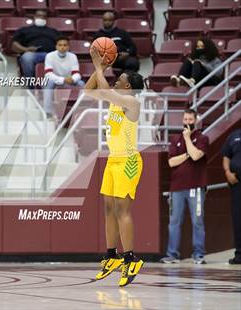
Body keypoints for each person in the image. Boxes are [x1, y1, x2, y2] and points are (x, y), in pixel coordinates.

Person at [84, 49, 145, 287]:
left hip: (129, 161)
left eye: (119, 79)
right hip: (113, 160)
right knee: (108, 209)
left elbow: (106, 91)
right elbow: (88, 91)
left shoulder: (130, 101)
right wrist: (98, 68)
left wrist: (100, 67)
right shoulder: (114, 99)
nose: (115, 80)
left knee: (122, 209)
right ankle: (112, 255)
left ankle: (131, 259)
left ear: (128, 87)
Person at [160, 109, 209, 265]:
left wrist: (188, 140)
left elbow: (196, 156)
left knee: (197, 221)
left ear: (196, 120)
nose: (187, 122)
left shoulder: (202, 138)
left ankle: (199, 254)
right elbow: (171, 162)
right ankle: (172, 255)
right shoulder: (175, 139)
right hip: (177, 188)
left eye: (190, 119)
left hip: (196, 186)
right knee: (174, 221)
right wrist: (187, 154)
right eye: (185, 119)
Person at [43, 36, 85, 117]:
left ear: (68, 47)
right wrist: (63, 80)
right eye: (60, 45)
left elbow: (77, 73)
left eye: (65, 45)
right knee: (48, 82)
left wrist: (72, 79)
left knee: (81, 83)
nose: (62, 47)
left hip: (69, 80)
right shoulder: (49, 56)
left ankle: (81, 108)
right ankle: (47, 112)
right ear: (56, 46)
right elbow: (48, 74)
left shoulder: (73, 56)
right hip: (54, 80)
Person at [12, 10, 60, 78]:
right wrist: (27, 49)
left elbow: (63, 43)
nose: (41, 18)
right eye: (39, 16)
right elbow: (14, 46)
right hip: (32, 54)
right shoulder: (24, 30)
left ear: (46, 19)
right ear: (34, 17)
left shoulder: (54, 31)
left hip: (51, 54)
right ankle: (31, 84)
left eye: (44, 16)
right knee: (27, 57)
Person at [222, 129, 241, 264]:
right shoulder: (234, 135)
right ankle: (239, 254)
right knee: (238, 219)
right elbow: (226, 156)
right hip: (236, 183)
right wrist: (227, 172)